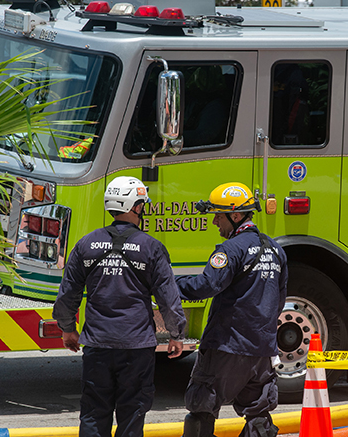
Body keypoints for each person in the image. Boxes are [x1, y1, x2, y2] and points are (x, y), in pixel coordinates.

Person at [53, 176, 186, 437]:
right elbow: (168, 299)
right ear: (136, 206)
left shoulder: (86, 244)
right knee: (133, 413)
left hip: (97, 344)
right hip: (136, 347)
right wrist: (176, 334)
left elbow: (68, 295)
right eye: (142, 204)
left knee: (93, 412)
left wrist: (67, 329)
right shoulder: (152, 247)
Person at [177, 182, 288, 437]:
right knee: (258, 415)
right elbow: (279, 298)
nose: (215, 221)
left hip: (227, 346)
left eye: (218, 215)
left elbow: (208, 285)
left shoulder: (230, 249)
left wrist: (169, 285)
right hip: (262, 349)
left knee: (201, 409)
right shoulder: (275, 249)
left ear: (235, 215)